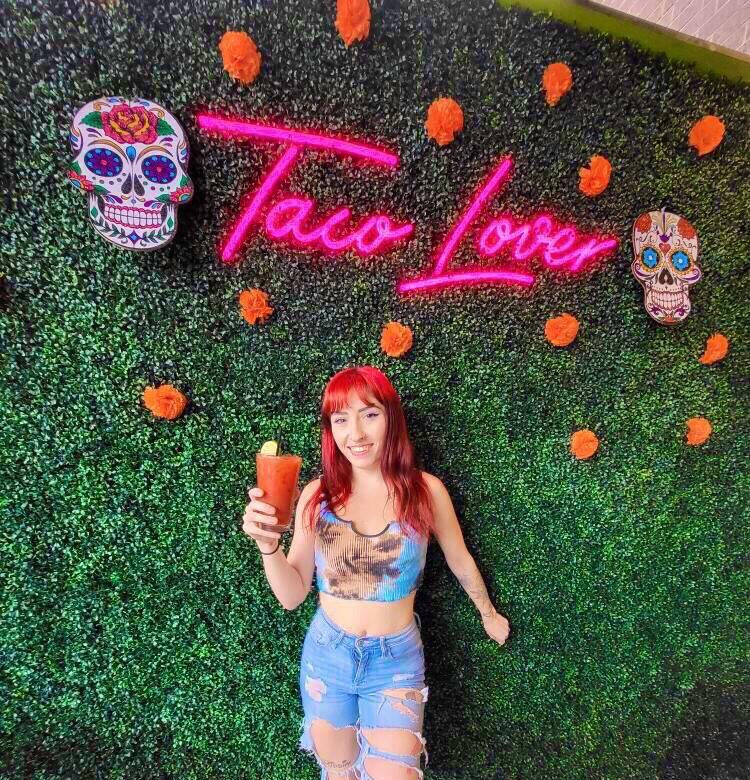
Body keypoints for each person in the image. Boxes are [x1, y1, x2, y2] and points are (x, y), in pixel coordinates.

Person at [242, 366, 511, 780]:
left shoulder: (426, 491)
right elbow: (292, 596)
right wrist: (268, 546)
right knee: (339, 772)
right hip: (327, 655)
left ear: (391, 418)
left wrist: (487, 613)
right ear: (330, 430)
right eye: (341, 419)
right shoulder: (317, 496)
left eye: (369, 414)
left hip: (395, 661)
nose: (356, 433)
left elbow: (459, 559)